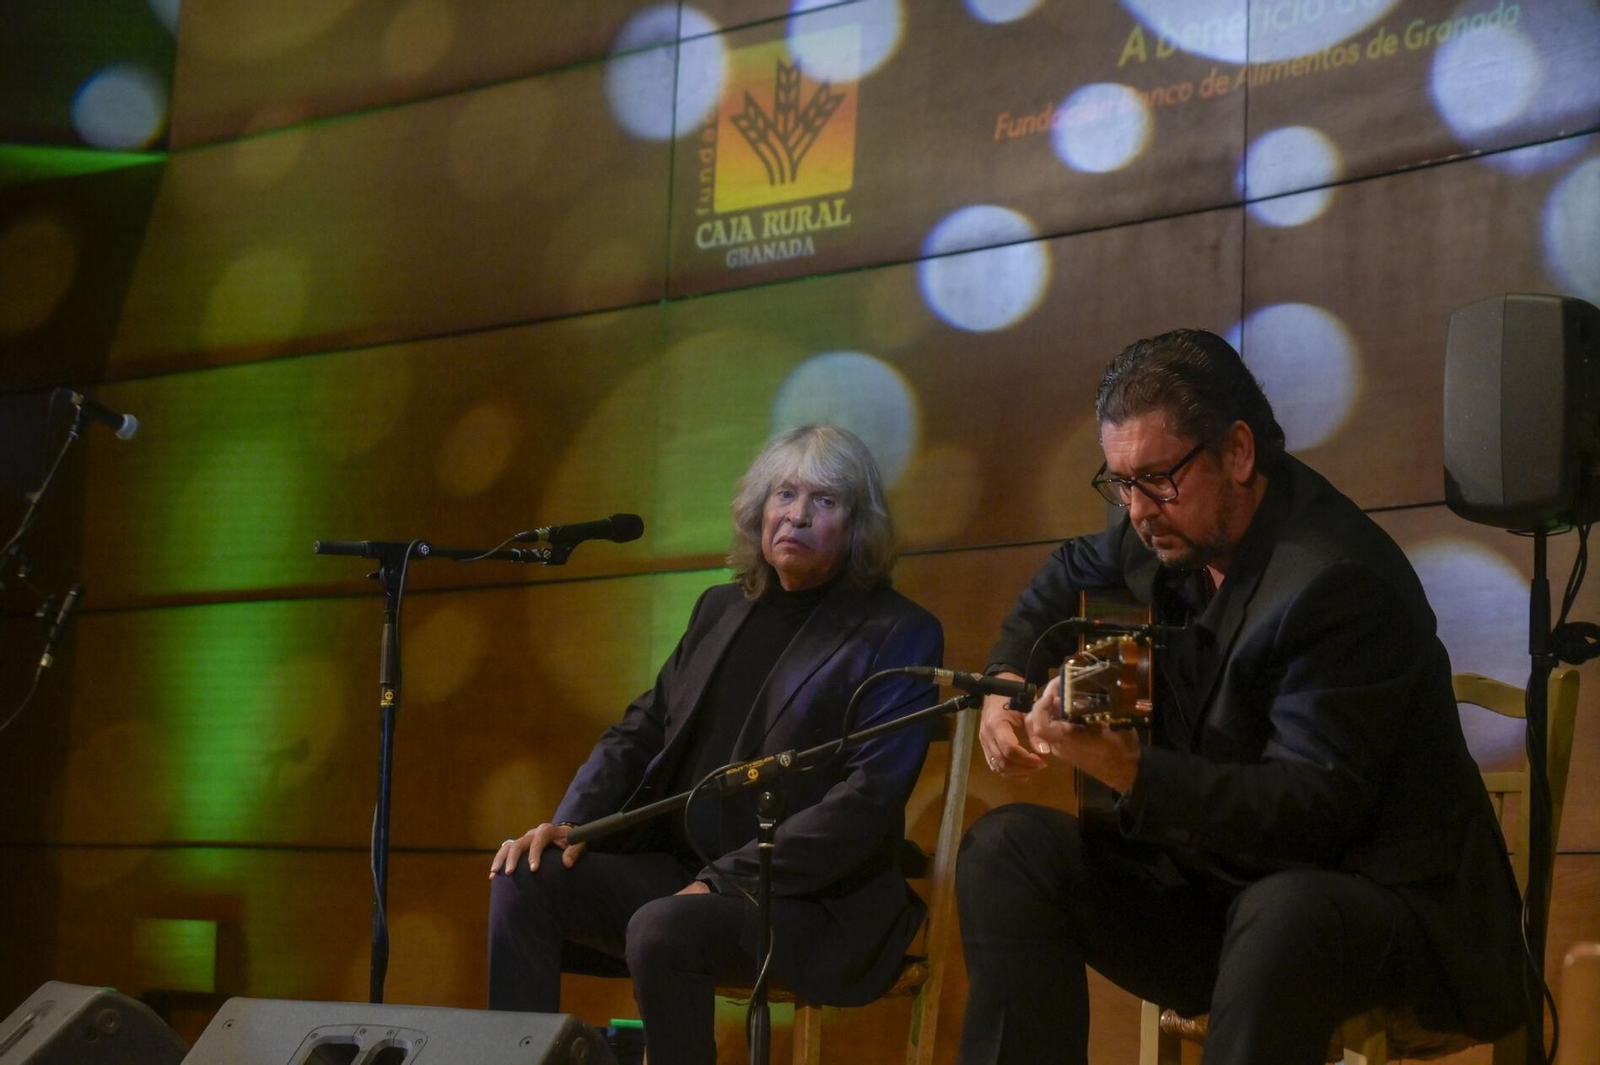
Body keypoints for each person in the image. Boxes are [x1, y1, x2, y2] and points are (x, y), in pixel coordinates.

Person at [956, 329, 1525, 1064]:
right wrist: (1007, 681)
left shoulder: (1338, 581)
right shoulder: (1162, 528)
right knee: (1007, 850)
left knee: (1282, 912)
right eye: (1119, 482)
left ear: (1238, 452)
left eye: (1156, 478)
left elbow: (1308, 811)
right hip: (1224, 897)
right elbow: (1071, 568)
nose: (1136, 510)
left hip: (1383, 911)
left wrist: (1132, 770)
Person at [488, 424, 942, 1065]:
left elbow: (866, 802)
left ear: (858, 524)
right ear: (760, 508)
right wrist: (570, 825)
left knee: (662, 923)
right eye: (785, 494)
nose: (798, 515)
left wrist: (725, 883)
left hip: (812, 900)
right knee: (524, 879)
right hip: (684, 871)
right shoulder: (718, 609)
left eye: (825, 501)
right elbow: (639, 731)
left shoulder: (900, 632)